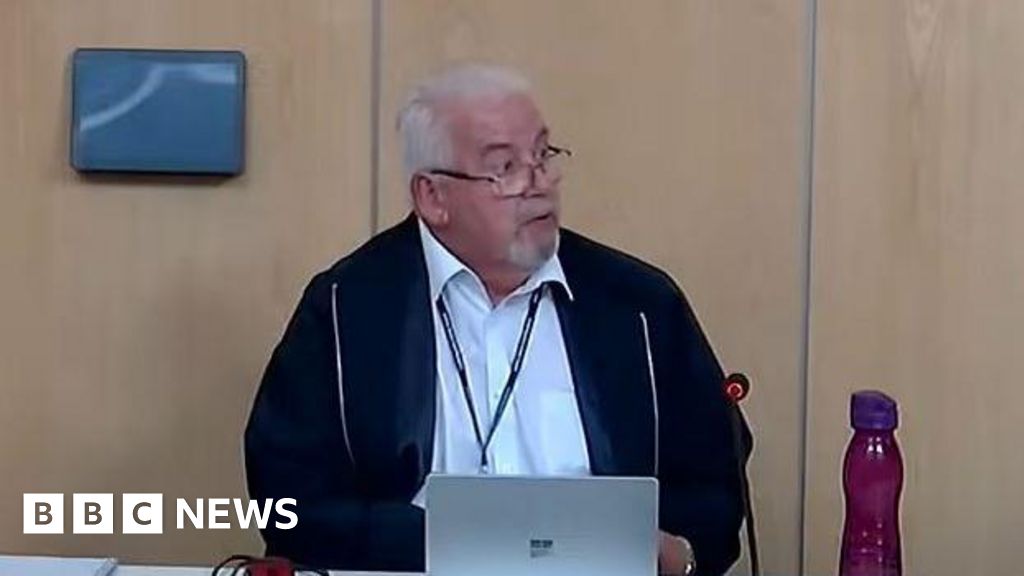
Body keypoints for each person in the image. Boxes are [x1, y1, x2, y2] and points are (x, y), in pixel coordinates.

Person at [244, 64, 751, 576]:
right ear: (433, 197)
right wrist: (452, 541)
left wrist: (679, 555)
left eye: (543, 156)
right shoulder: (345, 309)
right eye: (505, 167)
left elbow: (715, 487)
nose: (538, 185)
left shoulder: (639, 306)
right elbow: (290, 505)